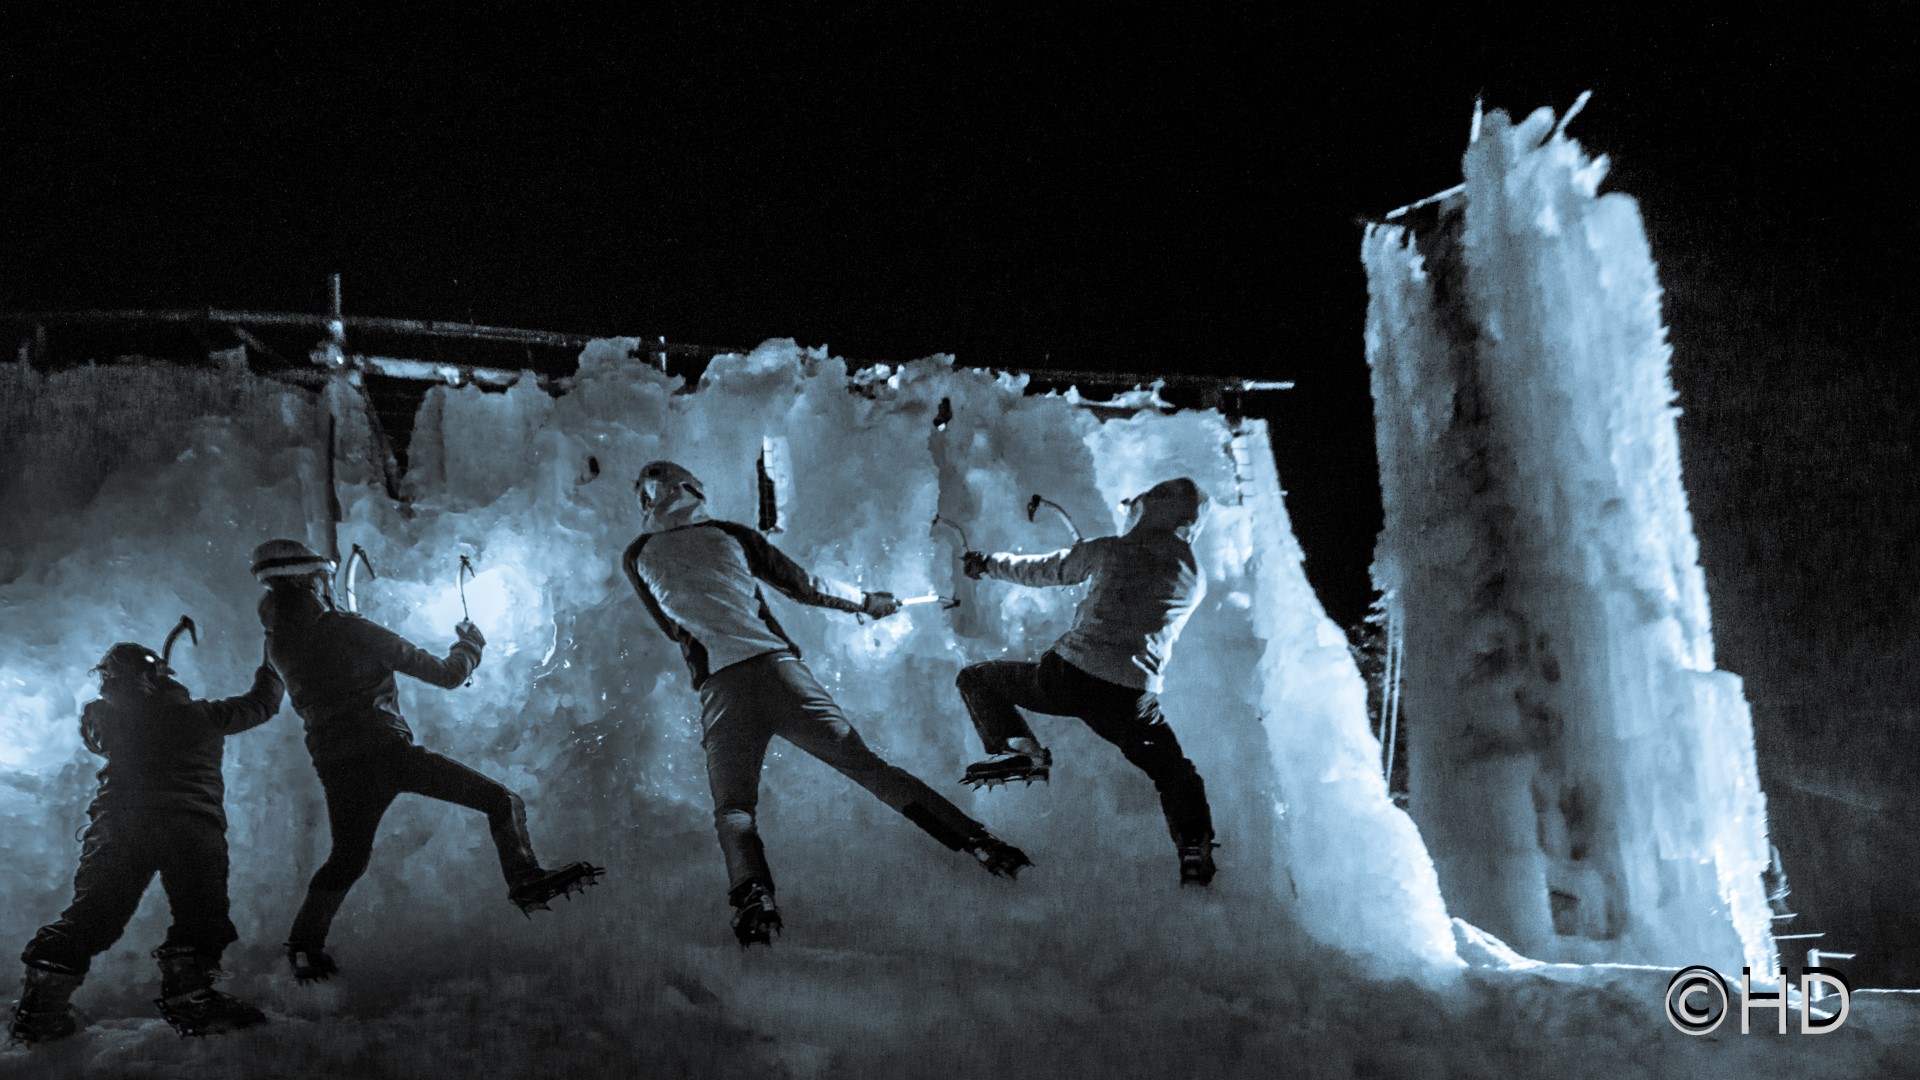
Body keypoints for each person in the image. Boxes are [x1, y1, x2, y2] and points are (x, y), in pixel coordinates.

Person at [620, 461, 1030, 947]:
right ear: (694, 491)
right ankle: (978, 842)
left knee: (734, 809)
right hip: (780, 674)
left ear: (647, 503)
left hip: (722, 691)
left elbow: (671, 627)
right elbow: (805, 586)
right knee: (868, 767)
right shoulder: (730, 535)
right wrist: (867, 602)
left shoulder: (638, 555)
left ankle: (754, 894)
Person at [250, 539, 602, 983]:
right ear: (313, 581)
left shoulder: (277, 646)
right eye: (323, 577)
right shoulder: (351, 629)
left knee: (347, 858)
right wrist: (470, 645)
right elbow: (447, 675)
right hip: (388, 753)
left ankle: (304, 947)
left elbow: (265, 700)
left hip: (337, 765)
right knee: (500, 800)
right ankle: (525, 880)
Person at [9, 635, 283, 1042]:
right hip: (189, 826)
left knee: (92, 916)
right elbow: (261, 704)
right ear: (160, 676)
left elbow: (110, 728)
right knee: (201, 916)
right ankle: (191, 999)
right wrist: (272, 666)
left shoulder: (102, 718)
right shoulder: (200, 717)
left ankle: (39, 1010)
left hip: (120, 825)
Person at [955, 477, 1219, 886]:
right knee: (1174, 772)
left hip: (1069, 676)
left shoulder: (1113, 549)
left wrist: (988, 563)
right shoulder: (1194, 575)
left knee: (977, 679)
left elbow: (1046, 569)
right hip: (1131, 696)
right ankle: (1193, 848)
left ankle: (1022, 751)